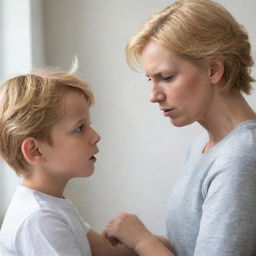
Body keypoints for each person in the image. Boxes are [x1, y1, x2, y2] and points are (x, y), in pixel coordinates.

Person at [103, 0, 256, 255]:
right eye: (150, 80)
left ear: (213, 70)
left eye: (166, 77)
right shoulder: (201, 147)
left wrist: (142, 241)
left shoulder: (240, 157)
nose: (153, 95)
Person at [0, 64, 136, 256]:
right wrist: (146, 243)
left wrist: (142, 238)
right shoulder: (40, 219)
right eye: (79, 128)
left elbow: (106, 251)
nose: (96, 136)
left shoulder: (52, 205)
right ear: (35, 150)